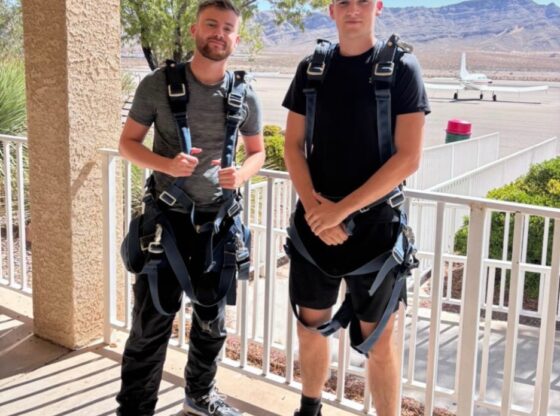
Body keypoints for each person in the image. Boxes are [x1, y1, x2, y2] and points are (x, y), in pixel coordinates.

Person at [115, 1, 265, 415]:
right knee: (150, 326)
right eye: (212, 25)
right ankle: (135, 407)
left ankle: (199, 396)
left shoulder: (243, 93)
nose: (219, 33)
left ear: (236, 38)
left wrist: (242, 174)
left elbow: (257, 151)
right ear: (196, 30)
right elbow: (126, 143)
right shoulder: (157, 85)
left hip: (218, 226)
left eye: (228, 28)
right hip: (166, 224)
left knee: (212, 323)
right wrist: (166, 164)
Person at [282, 1, 430, 415]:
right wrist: (317, 211)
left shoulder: (402, 70)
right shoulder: (312, 69)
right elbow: (293, 146)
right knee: (311, 329)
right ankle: (309, 408)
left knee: (380, 343)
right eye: (343, 2)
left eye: (362, 0)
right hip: (315, 228)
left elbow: (408, 158)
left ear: (378, 6)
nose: (353, 9)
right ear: (331, 10)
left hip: (376, 233)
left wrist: (337, 211)